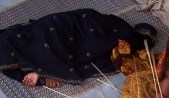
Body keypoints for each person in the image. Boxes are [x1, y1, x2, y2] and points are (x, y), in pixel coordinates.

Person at [0, 9, 155, 88]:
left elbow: (29, 38)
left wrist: (40, 71)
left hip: (65, 25)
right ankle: (42, 66)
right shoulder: (6, 63)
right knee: (92, 51)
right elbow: (11, 69)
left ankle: (43, 66)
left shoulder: (6, 38)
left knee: (100, 33)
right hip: (59, 42)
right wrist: (40, 77)